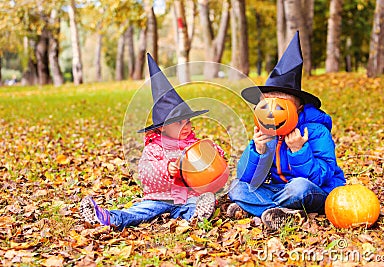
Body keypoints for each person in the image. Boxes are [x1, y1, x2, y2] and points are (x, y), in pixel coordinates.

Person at [80, 53, 225, 231]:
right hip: (160, 197)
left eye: (188, 121)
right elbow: (146, 173)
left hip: (188, 196)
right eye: (179, 123)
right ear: (162, 128)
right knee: (140, 212)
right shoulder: (154, 149)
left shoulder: (193, 144)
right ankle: (106, 217)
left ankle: (197, 216)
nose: (186, 127)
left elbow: (212, 162)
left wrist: (213, 150)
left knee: (195, 204)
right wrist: (167, 169)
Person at [227, 31, 346, 231]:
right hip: (279, 189)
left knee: (299, 187)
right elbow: (247, 178)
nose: (272, 111)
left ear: (298, 107)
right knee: (236, 187)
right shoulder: (267, 131)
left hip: (315, 190)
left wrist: (299, 151)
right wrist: (258, 150)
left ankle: (258, 207)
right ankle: (285, 213)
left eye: (281, 104)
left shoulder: (316, 131)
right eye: (267, 103)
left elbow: (320, 177)